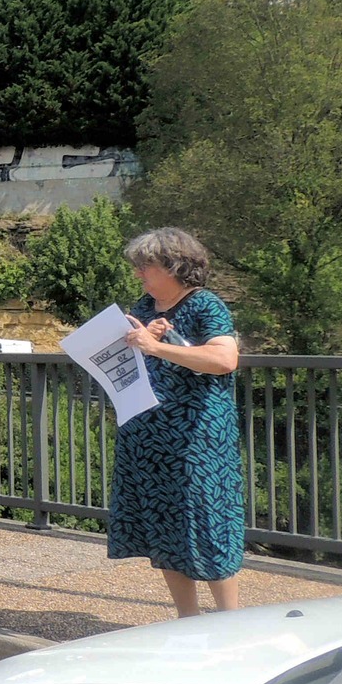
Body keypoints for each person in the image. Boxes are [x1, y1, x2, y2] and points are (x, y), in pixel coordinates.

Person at [107, 227, 244, 617]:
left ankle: (230, 620)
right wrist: (139, 339)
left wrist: (158, 347)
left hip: (195, 438)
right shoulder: (147, 307)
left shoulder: (206, 306)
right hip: (150, 437)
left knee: (207, 521)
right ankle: (187, 619)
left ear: (173, 266)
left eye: (145, 267)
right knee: (163, 523)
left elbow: (224, 360)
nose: (139, 275)